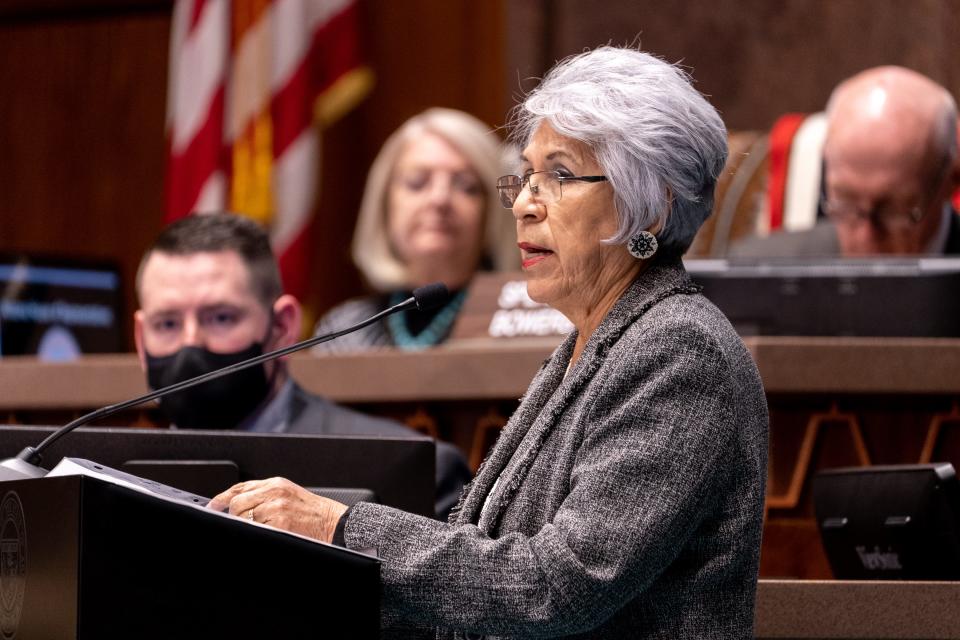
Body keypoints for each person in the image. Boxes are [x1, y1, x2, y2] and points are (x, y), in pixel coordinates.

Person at [210, 47, 768, 638]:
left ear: (651, 208)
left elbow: (555, 587)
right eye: (527, 175)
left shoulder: (680, 351)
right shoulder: (596, 338)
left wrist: (340, 528)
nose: (525, 204)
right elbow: (484, 559)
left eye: (559, 175)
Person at [134, 213, 471, 519]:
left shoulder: (423, 475)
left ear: (283, 328)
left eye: (221, 318)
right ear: (140, 338)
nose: (191, 344)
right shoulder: (108, 474)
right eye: (167, 324)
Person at [313, 107, 517, 352]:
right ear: (384, 204)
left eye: (466, 186)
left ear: (492, 211)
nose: (439, 199)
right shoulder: (345, 330)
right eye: (417, 183)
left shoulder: (519, 323)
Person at [732, 66, 960, 257]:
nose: (865, 239)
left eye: (893, 209)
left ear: (951, 180)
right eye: (846, 201)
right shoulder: (757, 268)